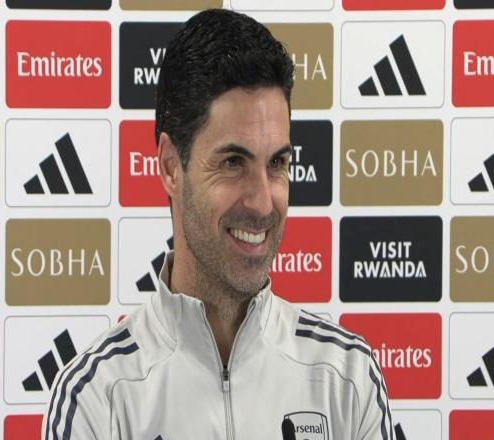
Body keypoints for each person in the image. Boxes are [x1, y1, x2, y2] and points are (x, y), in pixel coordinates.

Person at [43, 9, 394, 440]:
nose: (262, 202)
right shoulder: (97, 398)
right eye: (233, 163)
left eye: (277, 163)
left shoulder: (347, 378)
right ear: (171, 167)